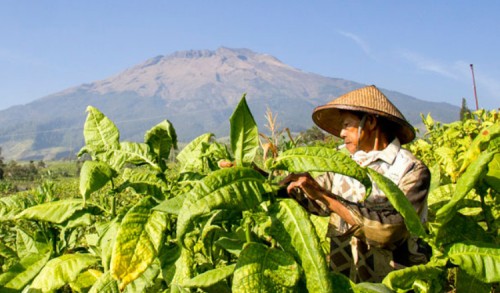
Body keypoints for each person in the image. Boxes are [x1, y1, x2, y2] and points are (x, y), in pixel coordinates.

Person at [281, 85, 430, 282]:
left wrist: (326, 197)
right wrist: (249, 175)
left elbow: (390, 230)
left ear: (369, 122)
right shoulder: (344, 166)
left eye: (346, 125)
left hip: (394, 282)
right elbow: (309, 199)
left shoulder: (410, 169)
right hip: (346, 279)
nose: (341, 134)